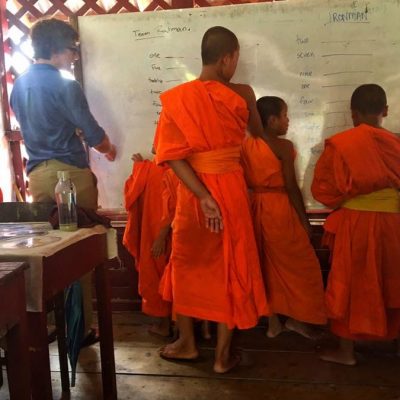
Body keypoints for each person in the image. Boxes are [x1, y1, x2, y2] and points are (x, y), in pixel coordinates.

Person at [154, 26, 269, 373]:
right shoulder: (242, 94)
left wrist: (203, 196)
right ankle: (222, 356)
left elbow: (171, 156)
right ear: (228, 58)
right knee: (230, 264)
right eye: (237, 59)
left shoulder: (177, 99)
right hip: (230, 189)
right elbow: (259, 135)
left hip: (193, 193)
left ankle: (188, 344)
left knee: (187, 263)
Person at [10, 18, 117, 344]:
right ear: (57, 49)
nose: (74, 56)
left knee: (50, 253)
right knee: (77, 255)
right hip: (69, 178)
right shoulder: (65, 84)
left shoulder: (20, 85)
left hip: (38, 177)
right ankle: (80, 330)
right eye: (72, 49)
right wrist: (108, 148)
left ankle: (52, 323)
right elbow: (93, 131)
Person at [311, 84, 400, 365]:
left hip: (355, 224)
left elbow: (323, 191)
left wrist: (351, 196)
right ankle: (393, 344)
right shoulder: (397, 144)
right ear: (385, 111)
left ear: (352, 114)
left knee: (349, 283)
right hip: (393, 223)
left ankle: (346, 352)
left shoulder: (343, 145)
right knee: (392, 279)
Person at [241, 96, 327, 339]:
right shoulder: (283, 147)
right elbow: (290, 186)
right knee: (302, 264)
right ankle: (297, 318)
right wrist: (305, 220)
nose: (288, 121)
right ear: (272, 120)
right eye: (285, 116)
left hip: (254, 207)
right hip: (278, 208)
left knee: (264, 265)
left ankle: (273, 323)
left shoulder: (246, 146)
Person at [123, 153, 172, 337]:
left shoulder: (152, 170)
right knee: (167, 276)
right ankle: (182, 327)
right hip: (171, 231)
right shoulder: (180, 170)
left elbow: (130, 195)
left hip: (156, 233)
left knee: (157, 276)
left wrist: (137, 167)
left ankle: (164, 324)